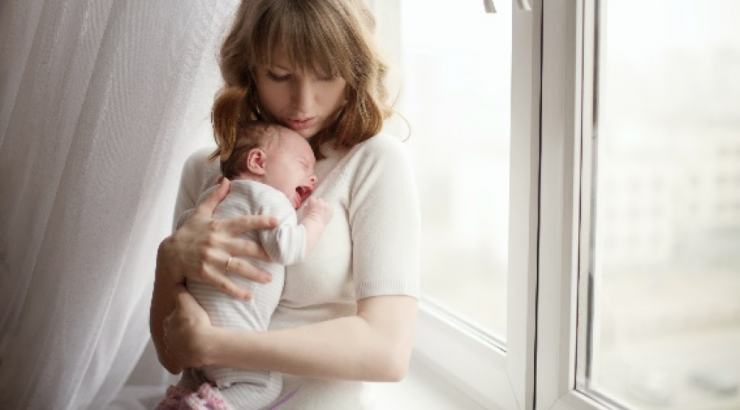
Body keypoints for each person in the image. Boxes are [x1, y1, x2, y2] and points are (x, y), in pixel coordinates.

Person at [149, 0, 421, 408]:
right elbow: (173, 356)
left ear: (354, 73)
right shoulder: (205, 173)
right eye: (280, 75)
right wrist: (168, 263)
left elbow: (387, 352)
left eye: (326, 76)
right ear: (249, 71)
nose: (303, 103)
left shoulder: (375, 162)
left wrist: (220, 344)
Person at [155, 121, 334, 410]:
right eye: (303, 165)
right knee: (262, 384)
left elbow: (181, 237)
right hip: (231, 331)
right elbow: (288, 248)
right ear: (257, 161)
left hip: (194, 325)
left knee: (197, 380)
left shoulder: (209, 199)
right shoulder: (271, 198)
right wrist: (316, 220)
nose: (311, 179)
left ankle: (179, 401)